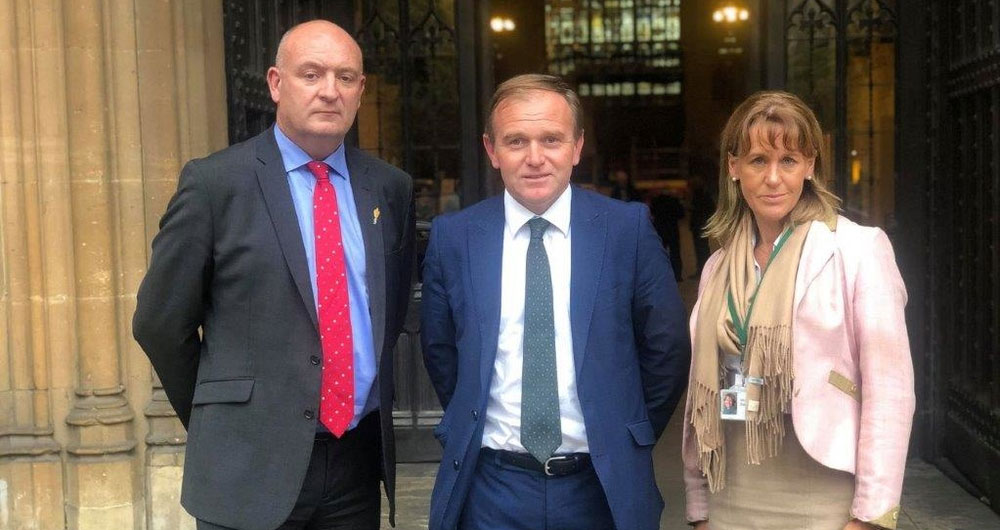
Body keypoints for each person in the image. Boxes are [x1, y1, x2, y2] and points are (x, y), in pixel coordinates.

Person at [132, 20, 415, 530]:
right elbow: (159, 322)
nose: (330, 90)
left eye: (346, 77)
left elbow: (388, 314)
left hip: (355, 462)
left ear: (360, 91)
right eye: (311, 74)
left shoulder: (389, 188)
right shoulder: (215, 183)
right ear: (275, 83)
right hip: (248, 463)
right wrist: (221, 417)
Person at [420, 74, 691, 530]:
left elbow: (666, 350)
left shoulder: (626, 230)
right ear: (491, 150)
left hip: (600, 487)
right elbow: (441, 352)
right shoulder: (457, 237)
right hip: (490, 488)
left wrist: (622, 432)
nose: (534, 158)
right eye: (516, 141)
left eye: (551, 139)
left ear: (577, 147)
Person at [682, 91, 914, 529]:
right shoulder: (719, 264)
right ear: (733, 168)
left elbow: (891, 392)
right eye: (757, 161)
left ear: (809, 166)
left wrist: (872, 515)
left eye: (788, 161)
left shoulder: (858, 250)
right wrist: (698, 506)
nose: (773, 178)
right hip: (731, 488)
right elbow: (701, 393)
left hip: (822, 489)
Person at [649, 189, 685, 280]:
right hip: (672, 229)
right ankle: (677, 275)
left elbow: (652, 213)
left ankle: (660, 274)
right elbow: (681, 214)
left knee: (660, 253)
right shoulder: (674, 201)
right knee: (675, 253)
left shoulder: (656, 201)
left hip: (660, 229)